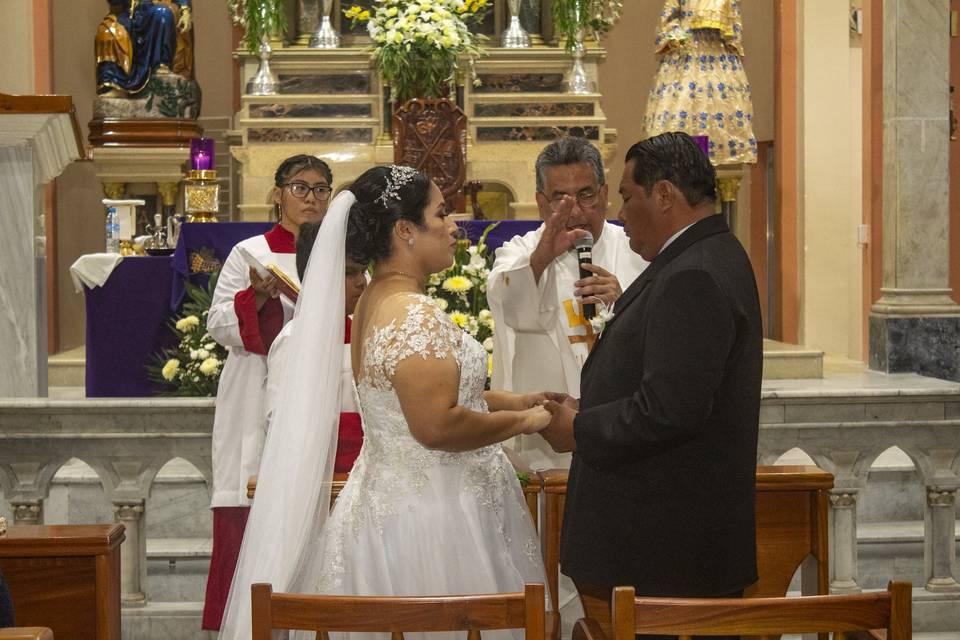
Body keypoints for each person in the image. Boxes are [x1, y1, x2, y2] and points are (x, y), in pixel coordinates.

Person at [218, 165, 552, 640]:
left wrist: (507, 400)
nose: (455, 226)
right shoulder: (412, 314)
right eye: (441, 214)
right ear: (405, 231)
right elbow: (435, 426)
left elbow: (406, 394)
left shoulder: (375, 296)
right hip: (437, 516)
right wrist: (524, 420)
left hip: (394, 502)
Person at [540, 132, 763, 639]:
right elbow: (668, 380)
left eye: (627, 195)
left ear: (663, 195)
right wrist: (589, 401)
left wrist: (581, 428)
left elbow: (669, 409)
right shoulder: (704, 256)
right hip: (666, 549)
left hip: (665, 551)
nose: (621, 210)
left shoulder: (694, 274)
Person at [202, 154, 334, 631]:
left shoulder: (341, 253)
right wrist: (258, 297)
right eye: (300, 187)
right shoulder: (250, 252)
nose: (311, 198)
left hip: (329, 396)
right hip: (258, 393)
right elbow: (218, 323)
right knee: (253, 506)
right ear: (277, 193)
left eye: (321, 189)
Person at [486, 136, 647, 468]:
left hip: (624, 429)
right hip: (545, 440)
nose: (574, 211)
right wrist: (542, 257)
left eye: (586, 195)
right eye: (560, 198)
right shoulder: (521, 251)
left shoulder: (639, 250)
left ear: (604, 195)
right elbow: (506, 300)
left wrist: (624, 302)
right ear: (541, 202)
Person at [261, 220, 367, 473]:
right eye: (350, 272)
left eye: (363, 271)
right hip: (318, 477)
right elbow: (281, 423)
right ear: (321, 275)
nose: (362, 282)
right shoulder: (294, 339)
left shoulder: (362, 332)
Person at [642, 0, 757, 165]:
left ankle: (713, 154)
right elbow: (668, 16)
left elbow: (734, 22)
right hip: (685, 58)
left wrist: (728, 28)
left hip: (719, 58)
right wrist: (675, 34)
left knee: (721, 115)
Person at [95, 0, 194, 96]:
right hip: (128, 13)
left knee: (163, 14)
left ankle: (160, 65)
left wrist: (185, 11)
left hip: (152, 10)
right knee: (107, 32)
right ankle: (114, 83)